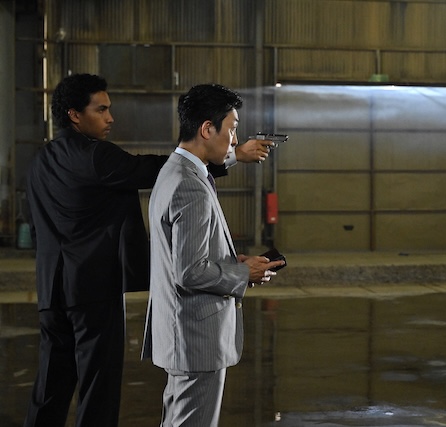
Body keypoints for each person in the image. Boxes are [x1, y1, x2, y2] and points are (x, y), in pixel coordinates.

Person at [24, 74, 275, 427]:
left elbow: (34, 224)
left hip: (51, 289)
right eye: (101, 110)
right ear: (74, 115)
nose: (110, 118)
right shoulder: (96, 156)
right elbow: (156, 169)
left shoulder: (40, 161)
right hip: (93, 288)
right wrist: (232, 156)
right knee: (98, 386)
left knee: (50, 385)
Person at [141, 83, 285, 427]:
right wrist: (244, 274)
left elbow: (183, 257)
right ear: (207, 129)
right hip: (196, 339)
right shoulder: (190, 185)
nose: (235, 140)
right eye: (232, 129)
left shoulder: (175, 171)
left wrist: (234, 262)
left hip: (182, 335)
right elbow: (190, 271)